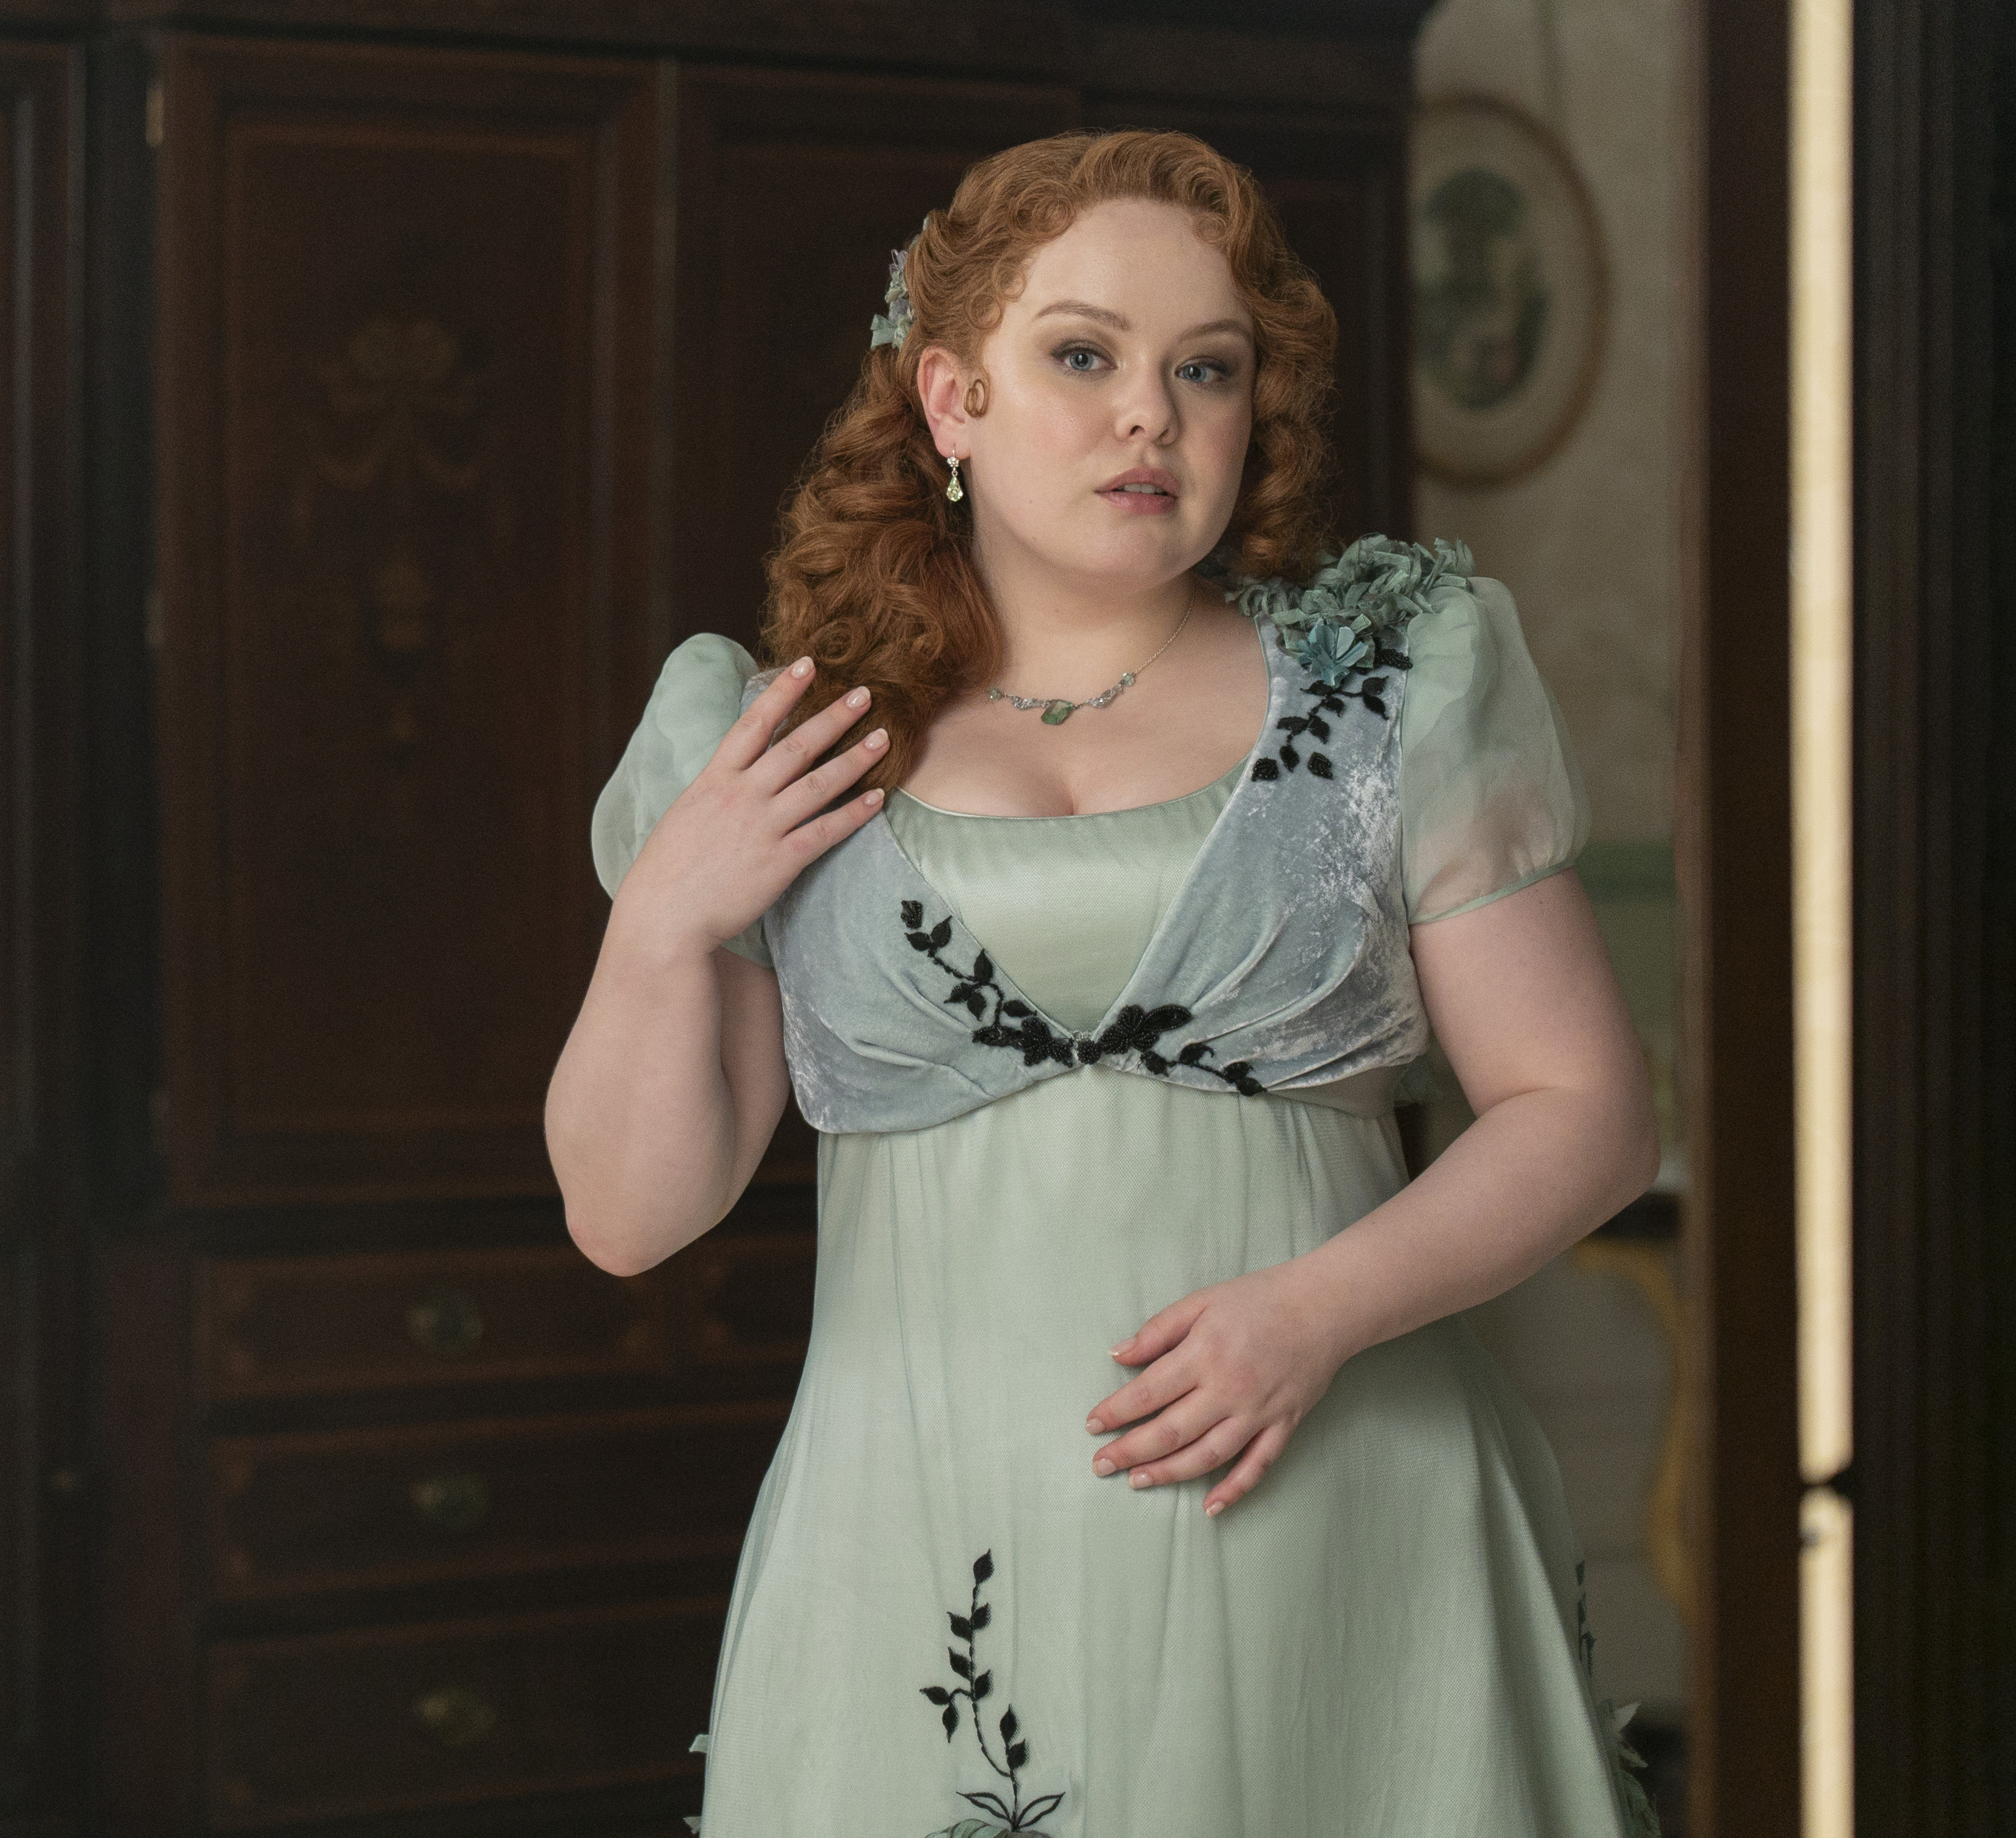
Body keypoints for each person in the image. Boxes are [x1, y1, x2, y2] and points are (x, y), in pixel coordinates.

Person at [545, 129, 1664, 1837]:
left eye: (1204, 370)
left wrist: (1316, 1314)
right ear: (949, 400)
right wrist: (662, 921)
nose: (1151, 413)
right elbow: (631, 1216)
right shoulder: (777, 742)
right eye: (1083, 355)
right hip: (917, 1557)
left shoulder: (1393, 689)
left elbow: (1583, 1110)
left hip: (1347, 1528)